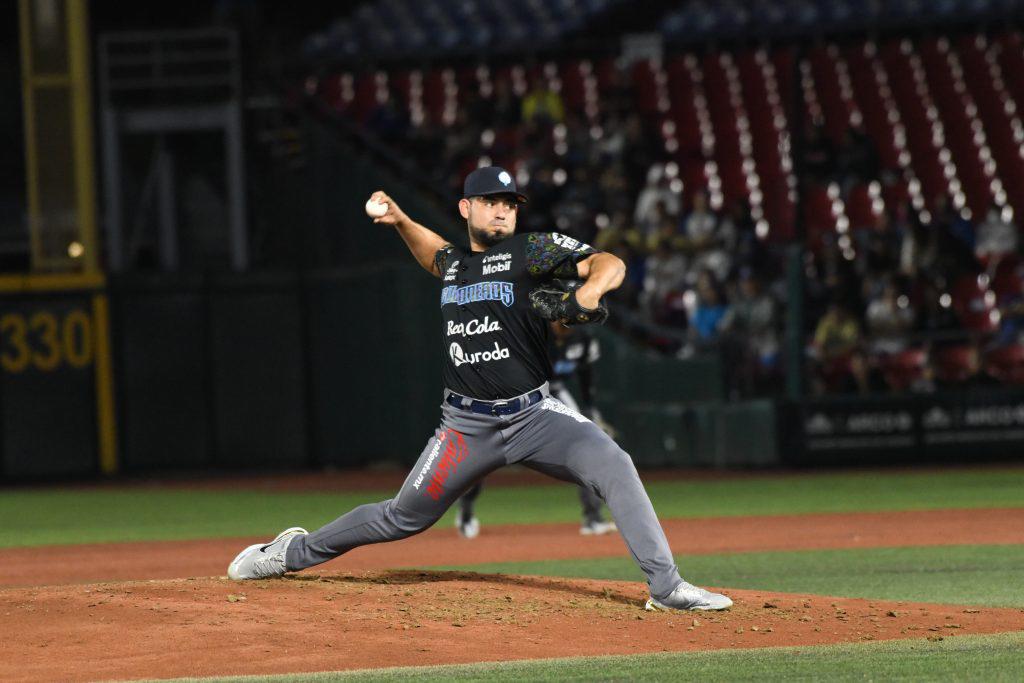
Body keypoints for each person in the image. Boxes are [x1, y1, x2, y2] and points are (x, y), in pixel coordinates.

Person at [226, 166, 732, 612]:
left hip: (536, 417)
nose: (502, 212)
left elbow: (610, 262)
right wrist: (402, 221)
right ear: (467, 207)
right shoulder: (455, 267)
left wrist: (589, 290)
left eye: (509, 204)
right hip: (465, 427)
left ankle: (666, 588)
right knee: (402, 517)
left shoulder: (531, 250)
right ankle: (288, 553)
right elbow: (434, 256)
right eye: (491, 202)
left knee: (614, 464)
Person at [455, 320, 618, 539]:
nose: (573, 318)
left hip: (555, 392)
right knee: (484, 454)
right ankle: (466, 511)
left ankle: (593, 519)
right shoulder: (535, 333)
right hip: (515, 395)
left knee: (588, 445)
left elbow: (586, 374)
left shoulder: (583, 338)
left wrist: (590, 409)